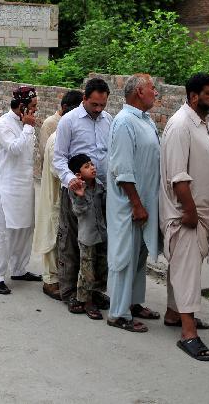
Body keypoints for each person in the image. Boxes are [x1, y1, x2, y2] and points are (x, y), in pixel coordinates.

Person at [159, 73, 209, 360]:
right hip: (187, 212)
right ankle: (188, 333)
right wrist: (190, 211)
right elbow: (178, 176)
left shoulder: (205, 125)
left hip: (201, 211)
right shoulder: (180, 125)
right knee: (187, 273)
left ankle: (174, 313)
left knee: (183, 268)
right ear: (193, 96)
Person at [106, 74, 161, 332]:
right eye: (152, 88)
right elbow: (123, 169)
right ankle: (118, 313)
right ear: (139, 91)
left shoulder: (145, 121)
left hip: (144, 202)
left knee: (140, 255)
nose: (156, 93)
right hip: (129, 205)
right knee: (124, 258)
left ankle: (134, 303)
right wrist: (137, 204)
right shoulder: (125, 122)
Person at [53, 77, 113, 312]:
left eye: (102, 105)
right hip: (75, 190)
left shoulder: (109, 120)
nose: (98, 109)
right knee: (71, 241)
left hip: (100, 192)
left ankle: (94, 292)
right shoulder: (69, 121)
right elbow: (59, 157)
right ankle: (69, 292)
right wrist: (72, 180)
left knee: (97, 243)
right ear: (85, 98)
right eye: (94, 105)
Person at [0, 86, 41, 295]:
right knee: (2, 232)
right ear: (22, 107)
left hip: (24, 185)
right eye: (33, 106)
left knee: (24, 229)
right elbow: (15, 149)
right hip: (6, 186)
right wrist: (28, 127)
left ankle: (19, 269)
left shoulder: (26, 122)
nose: (35, 110)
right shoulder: (3, 124)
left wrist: (27, 126)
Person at [34, 90, 83, 300]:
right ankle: (50, 281)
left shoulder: (69, 133)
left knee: (64, 240)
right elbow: (57, 169)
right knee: (53, 238)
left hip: (66, 195)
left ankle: (64, 279)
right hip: (56, 194)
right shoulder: (56, 136)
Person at [68, 153, 108, 319]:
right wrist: (81, 196)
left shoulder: (99, 185)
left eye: (92, 164)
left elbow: (105, 205)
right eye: (87, 166)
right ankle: (86, 301)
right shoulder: (75, 189)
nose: (92, 167)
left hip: (102, 234)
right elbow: (78, 211)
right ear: (78, 174)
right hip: (87, 237)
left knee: (101, 267)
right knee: (87, 271)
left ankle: (96, 294)